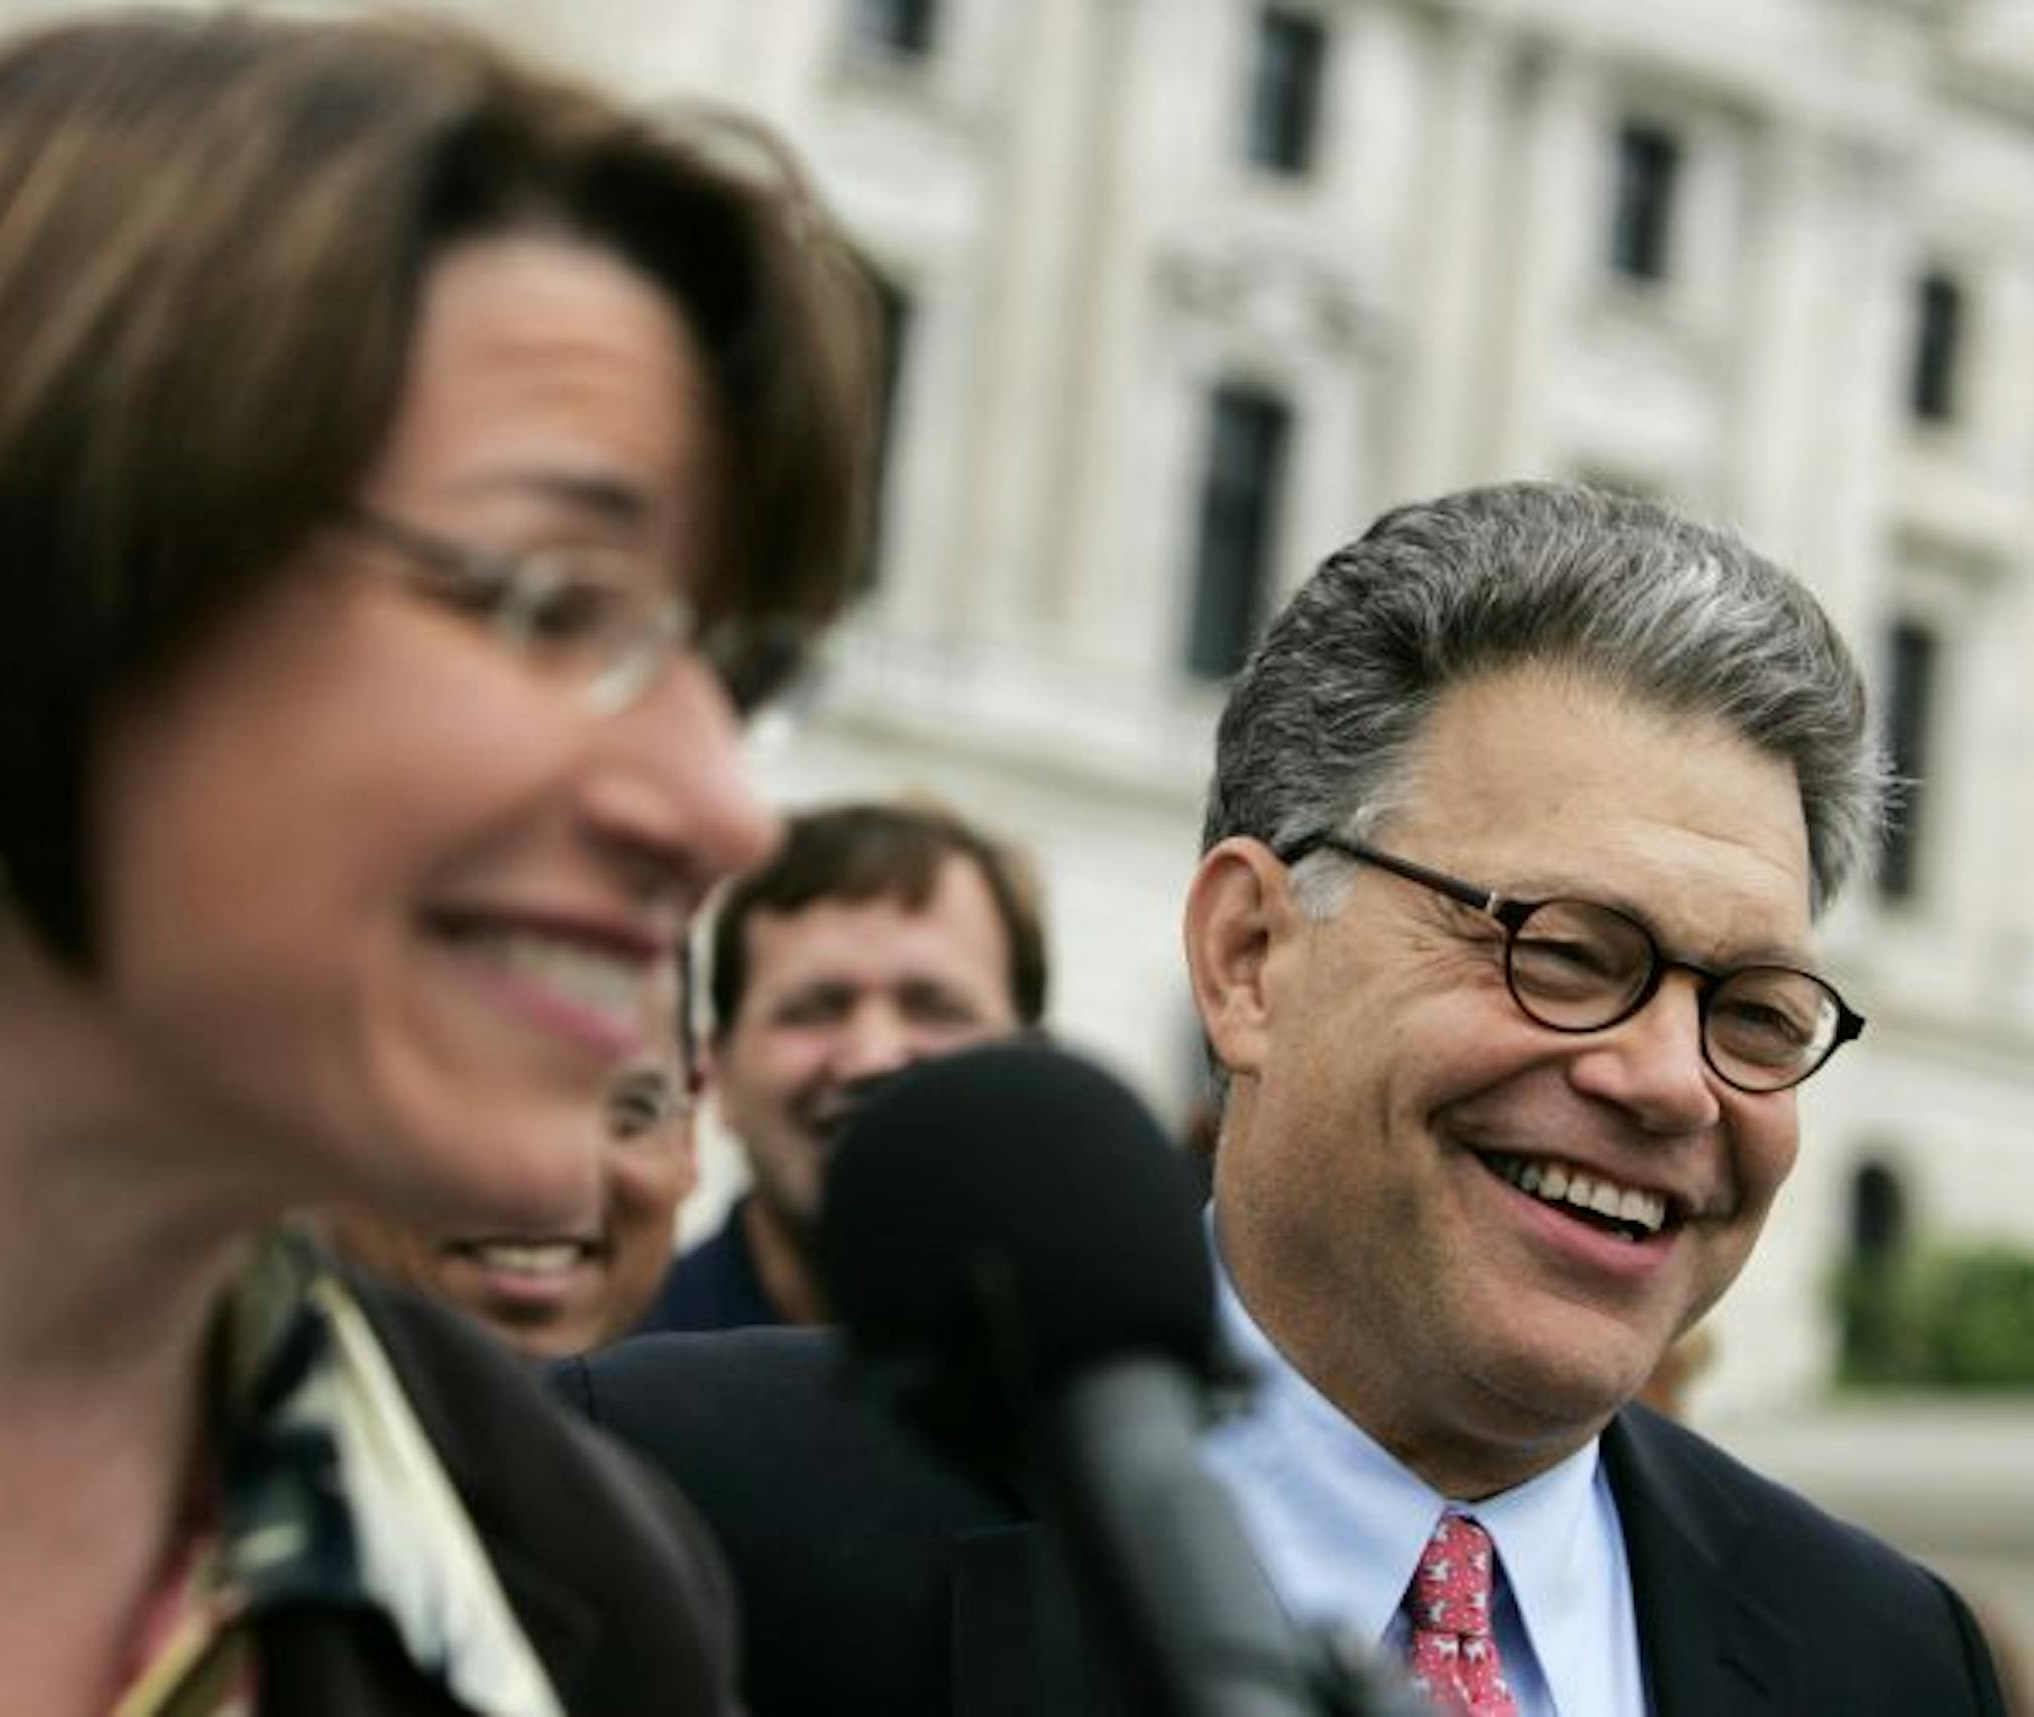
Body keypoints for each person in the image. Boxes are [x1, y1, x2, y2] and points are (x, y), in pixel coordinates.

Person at [555, 483, 2008, 1716]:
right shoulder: (671, 1511)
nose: (1665, 1083)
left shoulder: (1886, 1663)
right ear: (1248, 957)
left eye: (1753, 1013)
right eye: (1567, 956)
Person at [0, 10, 873, 1716]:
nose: (719, 806)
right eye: (550, 604)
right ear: (55, 553)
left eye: (733, 668)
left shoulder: (568, 1576)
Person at [640, 799, 1049, 1331]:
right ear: (719, 1072)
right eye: (815, 1009)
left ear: (1036, 1066)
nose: (872, 1057)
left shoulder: (1132, 1385)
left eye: (934, 1007)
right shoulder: (596, 1388)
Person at [319, 956, 699, 1360]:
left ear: (688, 1140)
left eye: (628, 1115)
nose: (550, 1182)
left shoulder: (736, 1408)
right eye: (469, 1105)